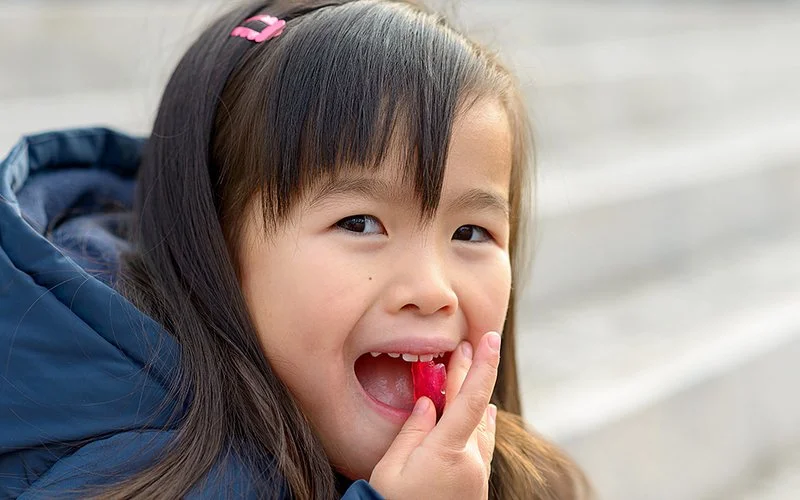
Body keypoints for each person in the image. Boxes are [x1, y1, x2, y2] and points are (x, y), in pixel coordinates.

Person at [0, 0, 590, 498]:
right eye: (360, 223)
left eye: (470, 233)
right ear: (218, 245)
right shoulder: (143, 473)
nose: (432, 290)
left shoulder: (493, 473)